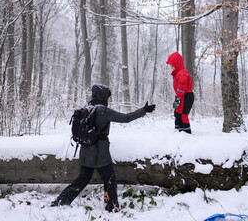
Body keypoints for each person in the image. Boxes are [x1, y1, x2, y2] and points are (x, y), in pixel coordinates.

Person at [52, 84, 156, 212]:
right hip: (100, 154)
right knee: (110, 179)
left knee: (82, 179)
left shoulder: (87, 108)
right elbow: (126, 118)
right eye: (109, 97)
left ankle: (62, 200)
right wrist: (144, 110)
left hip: (85, 152)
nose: (109, 99)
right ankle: (112, 207)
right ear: (104, 96)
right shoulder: (104, 111)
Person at [166, 52, 194, 134]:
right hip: (180, 96)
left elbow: (182, 86)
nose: (171, 67)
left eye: (172, 65)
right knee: (177, 112)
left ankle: (185, 133)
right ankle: (178, 131)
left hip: (186, 96)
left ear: (177, 64)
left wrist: (178, 97)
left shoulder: (182, 73)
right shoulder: (178, 73)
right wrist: (177, 99)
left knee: (182, 114)